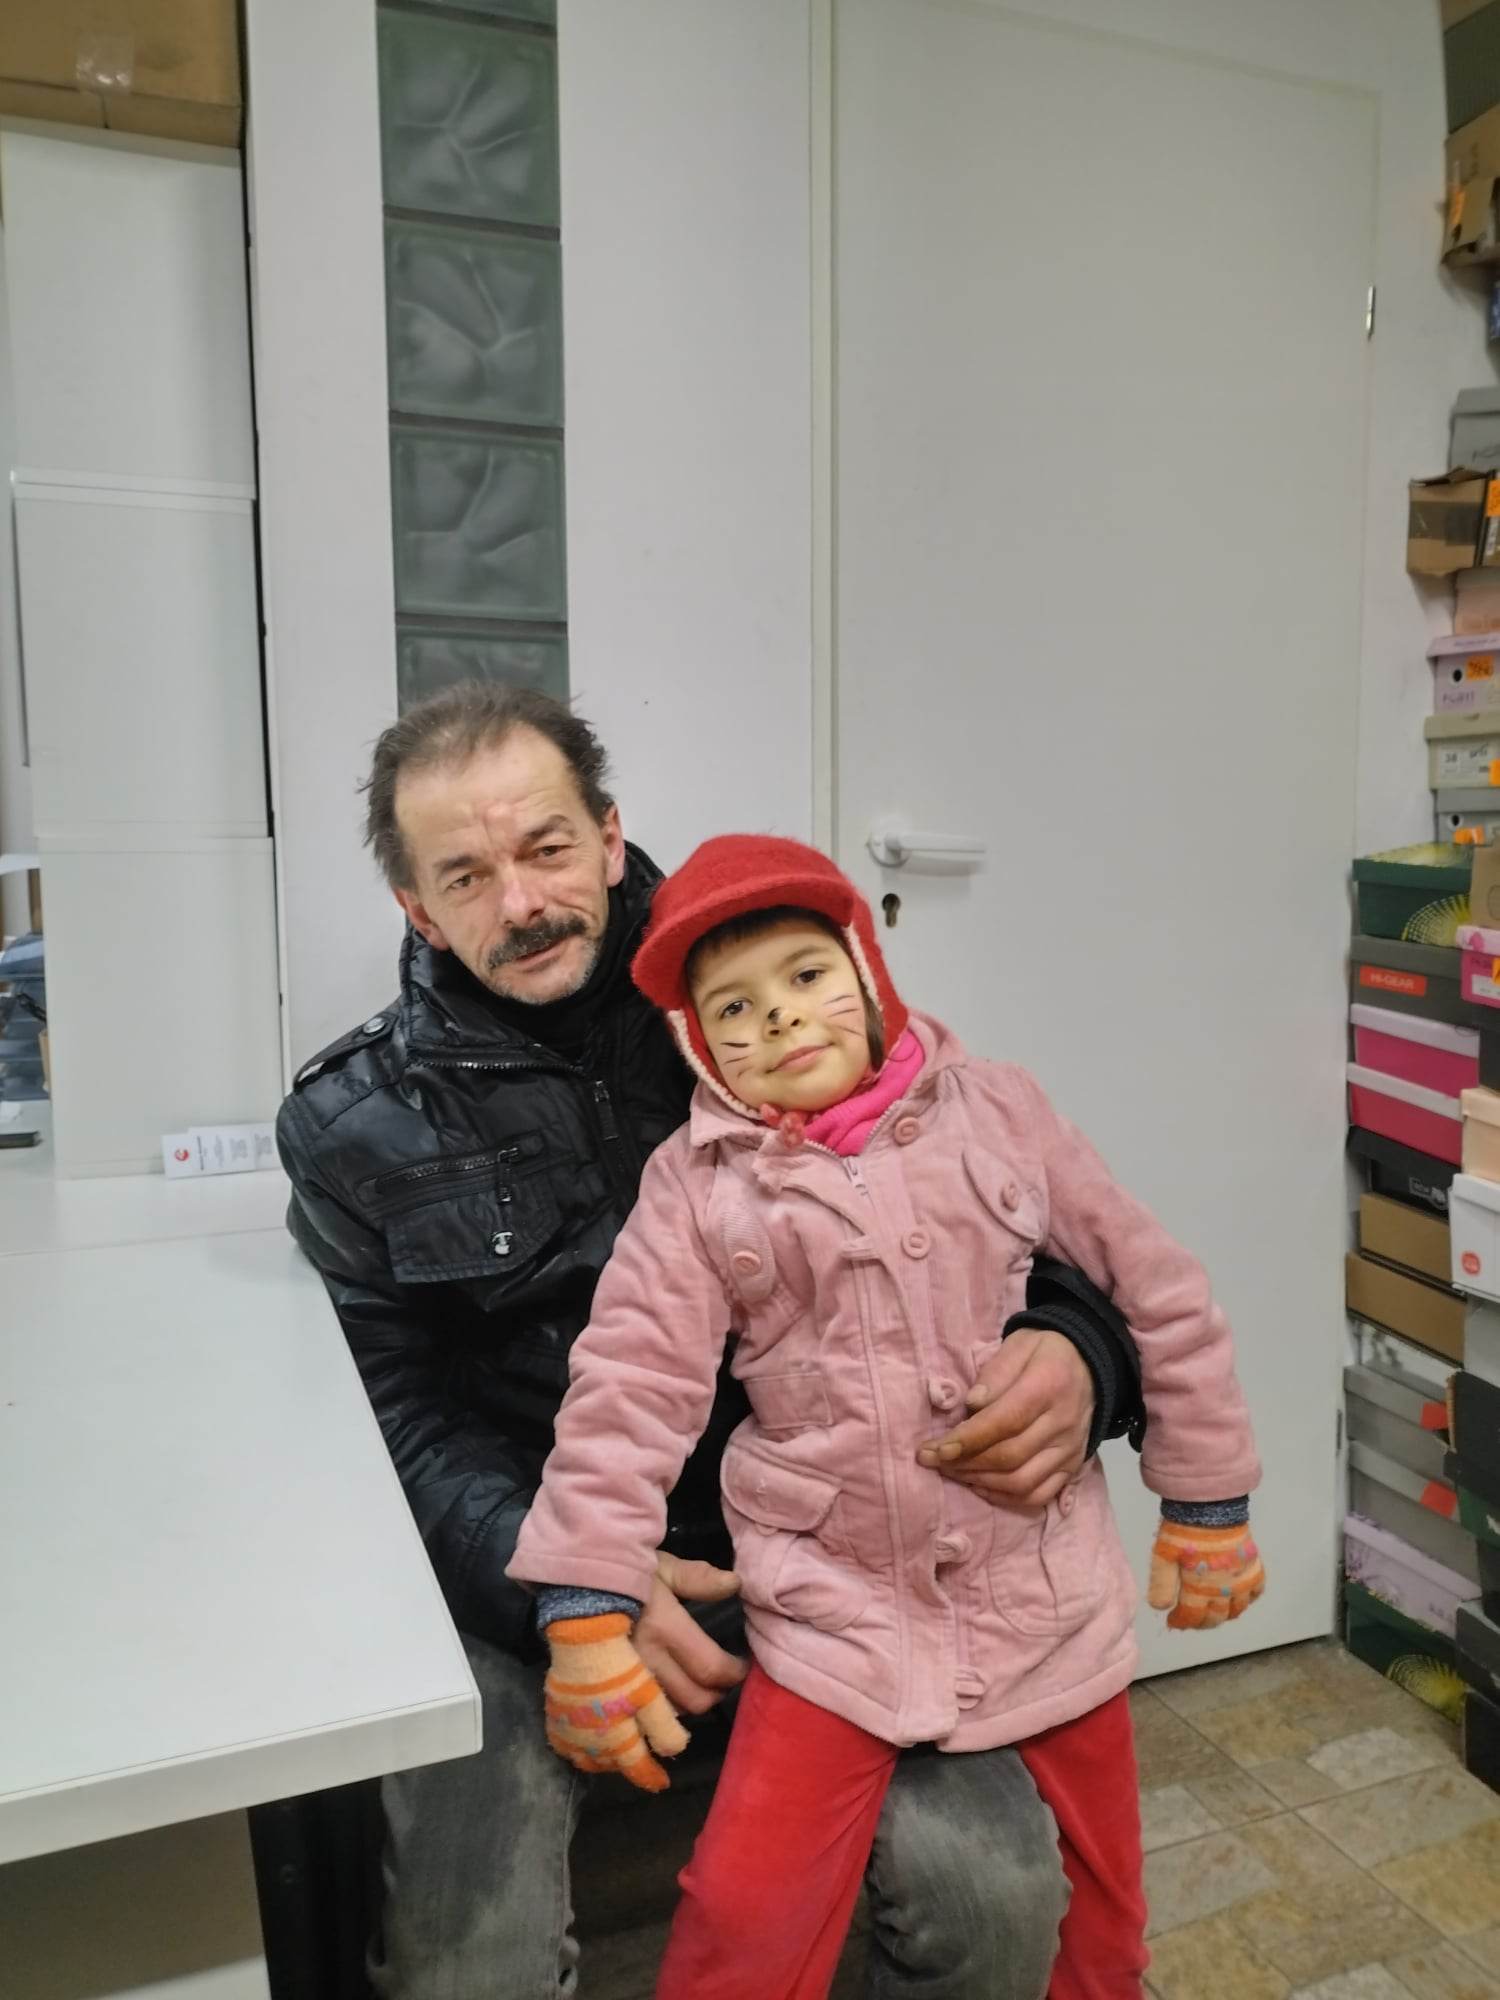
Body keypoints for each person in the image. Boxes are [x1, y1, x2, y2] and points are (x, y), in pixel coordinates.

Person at [276, 684, 1150, 2000]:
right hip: (527, 1558)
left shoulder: (760, 982)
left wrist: (1083, 1350)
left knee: (996, 1903)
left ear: (609, 835)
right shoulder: (353, 1122)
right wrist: (569, 1582)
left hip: (840, 1552)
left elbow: (1001, 1204)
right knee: (469, 1966)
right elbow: (389, 1415)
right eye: (466, 875)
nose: (522, 901)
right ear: (416, 908)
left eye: (547, 848)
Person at [510, 835, 1266, 2000]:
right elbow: (628, 1384)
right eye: (735, 1007)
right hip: (832, 1615)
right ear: (698, 1041)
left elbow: (1154, 1285)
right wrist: (584, 1604)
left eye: (808, 974)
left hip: (1045, 1593)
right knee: (744, 1911)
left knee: (1102, 1926)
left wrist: (1208, 1500)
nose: (780, 1015)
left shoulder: (1002, 1108)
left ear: (869, 970)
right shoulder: (696, 1186)